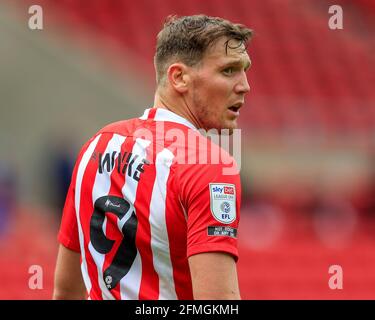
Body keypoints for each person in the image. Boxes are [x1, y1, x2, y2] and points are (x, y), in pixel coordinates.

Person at [53, 14, 252, 300]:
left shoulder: (95, 146)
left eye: (244, 70)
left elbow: (66, 291)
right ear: (179, 77)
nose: (245, 85)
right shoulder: (208, 165)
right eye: (229, 70)